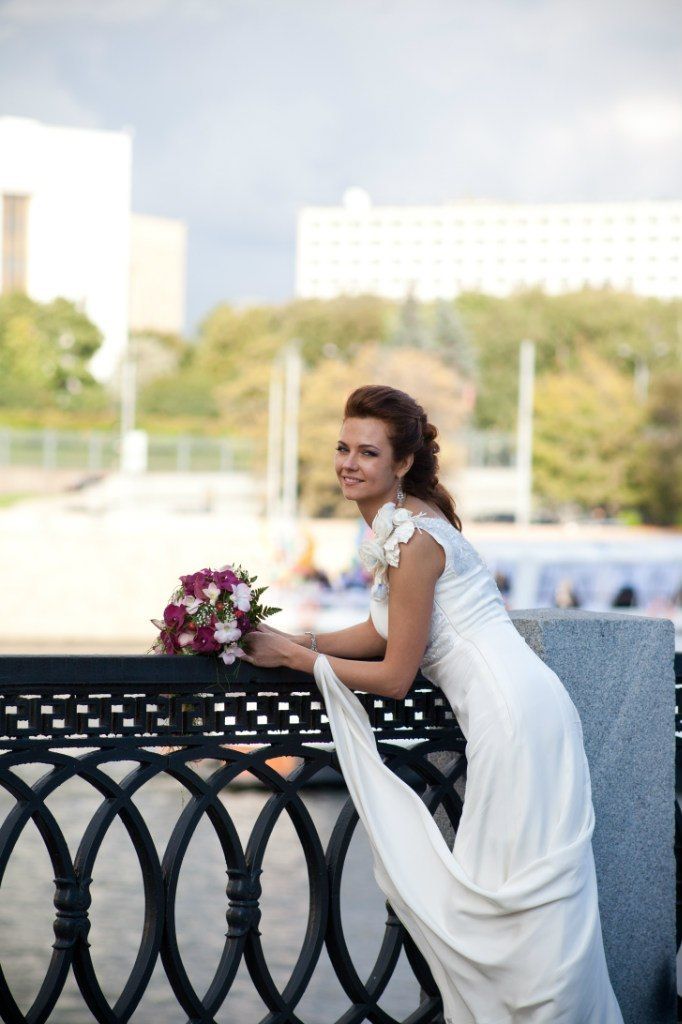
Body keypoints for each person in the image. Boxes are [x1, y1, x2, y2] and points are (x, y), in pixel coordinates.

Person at [241, 384, 624, 1024]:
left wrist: (295, 660)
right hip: (528, 708)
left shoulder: (413, 539)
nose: (348, 464)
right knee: (520, 903)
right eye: (342, 447)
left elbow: (396, 675)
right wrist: (293, 639)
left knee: (516, 905)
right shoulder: (407, 522)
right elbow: (386, 630)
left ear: (403, 462)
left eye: (368, 452)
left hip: (512, 719)